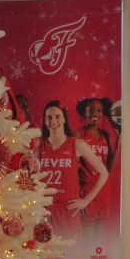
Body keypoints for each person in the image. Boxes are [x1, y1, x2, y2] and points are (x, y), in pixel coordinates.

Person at [37, 100, 108, 237]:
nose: (53, 121)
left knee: (70, 256)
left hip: (68, 210)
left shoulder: (77, 144)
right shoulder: (39, 146)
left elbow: (103, 173)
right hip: (43, 211)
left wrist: (86, 200)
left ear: (64, 119)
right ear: (45, 121)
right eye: (49, 117)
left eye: (57, 116)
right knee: (44, 257)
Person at [74, 97, 119, 226]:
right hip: (86, 189)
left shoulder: (106, 136)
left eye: (99, 110)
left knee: (100, 235)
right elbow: (72, 166)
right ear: (85, 112)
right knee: (88, 235)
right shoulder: (78, 134)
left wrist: (119, 141)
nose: (95, 113)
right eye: (91, 110)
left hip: (103, 190)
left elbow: (109, 168)